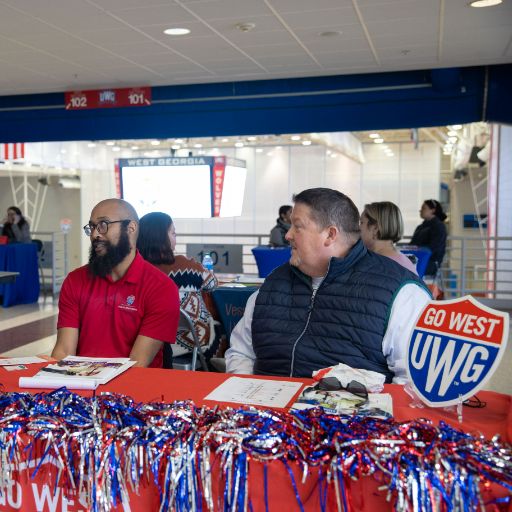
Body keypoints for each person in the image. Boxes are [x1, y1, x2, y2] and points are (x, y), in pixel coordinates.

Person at [226, 188, 431, 384]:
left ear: (330, 235)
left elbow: (412, 382)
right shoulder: (273, 284)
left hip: (350, 418)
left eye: (297, 226)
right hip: (263, 415)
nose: (288, 235)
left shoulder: (401, 293)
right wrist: (246, 394)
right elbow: (241, 352)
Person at [51, 199, 180, 368]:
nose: (95, 234)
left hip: (133, 389)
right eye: (92, 227)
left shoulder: (162, 288)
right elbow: (63, 351)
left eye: (103, 225)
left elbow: (137, 364)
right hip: (79, 385)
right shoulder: (75, 280)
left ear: (131, 228)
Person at [137, 212, 218, 364]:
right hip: (192, 340)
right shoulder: (185, 266)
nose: (176, 238)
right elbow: (212, 283)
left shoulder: (137, 270)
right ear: (161, 238)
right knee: (221, 332)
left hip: (147, 343)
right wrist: (196, 265)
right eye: (173, 233)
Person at [360, 201, 418, 275]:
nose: (358, 228)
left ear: (375, 228)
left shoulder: (379, 266)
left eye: (361, 222)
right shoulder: (403, 261)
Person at [410, 199, 447, 277]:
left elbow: (435, 248)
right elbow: (412, 244)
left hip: (430, 262)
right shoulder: (420, 227)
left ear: (433, 210)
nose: (420, 210)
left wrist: (417, 249)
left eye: (424, 208)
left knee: (404, 267)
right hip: (418, 259)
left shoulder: (438, 226)